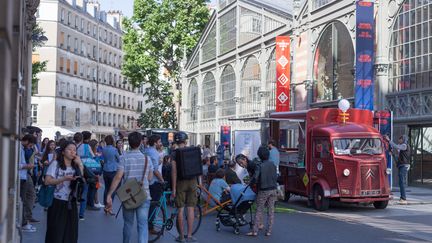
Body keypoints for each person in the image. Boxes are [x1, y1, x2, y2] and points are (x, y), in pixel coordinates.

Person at [106, 131, 153, 243]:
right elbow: (150, 178)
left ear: (129, 143)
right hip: (144, 195)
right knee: (142, 225)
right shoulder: (147, 159)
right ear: (141, 142)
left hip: (128, 196)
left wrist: (109, 194)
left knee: (128, 224)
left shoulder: (124, 158)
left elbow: (118, 177)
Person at [44, 141, 84, 243]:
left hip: (71, 202)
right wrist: (63, 179)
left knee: (71, 233)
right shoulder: (55, 164)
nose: (72, 152)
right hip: (57, 202)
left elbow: (81, 180)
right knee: (56, 233)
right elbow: (47, 181)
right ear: (63, 152)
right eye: (69, 149)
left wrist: (80, 164)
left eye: (74, 150)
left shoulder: (76, 165)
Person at [171, 132, 198, 243]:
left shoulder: (174, 153)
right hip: (192, 181)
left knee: (180, 209)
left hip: (181, 182)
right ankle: (190, 235)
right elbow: (198, 167)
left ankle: (181, 236)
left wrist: (173, 188)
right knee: (191, 208)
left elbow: (174, 171)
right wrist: (198, 182)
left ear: (176, 142)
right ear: (186, 141)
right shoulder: (192, 151)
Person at [247, 146, 278, 237]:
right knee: (271, 210)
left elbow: (255, 178)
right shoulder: (273, 164)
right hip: (273, 189)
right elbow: (276, 176)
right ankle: (269, 231)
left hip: (263, 190)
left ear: (259, 156)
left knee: (259, 209)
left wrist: (251, 183)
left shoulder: (260, 166)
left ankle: (255, 231)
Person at [147, 134, 165, 235]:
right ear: (155, 143)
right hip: (154, 182)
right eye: (159, 141)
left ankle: (149, 225)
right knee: (153, 205)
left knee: (150, 204)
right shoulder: (154, 153)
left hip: (148, 182)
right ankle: (150, 227)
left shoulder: (147, 151)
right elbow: (155, 170)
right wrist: (162, 180)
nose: (161, 143)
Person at [384, 134, 410, 205]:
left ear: (403, 139)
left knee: (402, 183)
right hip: (401, 165)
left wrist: (389, 140)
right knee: (401, 182)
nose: (399, 140)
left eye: (400, 139)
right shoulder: (403, 147)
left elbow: (397, 146)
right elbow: (399, 157)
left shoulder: (405, 145)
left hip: (404, 166)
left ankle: (403, 199)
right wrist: (392, 154)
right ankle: (402, 198)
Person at [19, 134, 38, 232]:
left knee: (29, 196)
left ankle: (26, 219)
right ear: (27, 141)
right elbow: (17, 164)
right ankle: (24, 222)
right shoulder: (19, 148)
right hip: (21, 176)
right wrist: (28, 166)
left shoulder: (22, 148)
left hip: (24, 175)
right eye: (30, 145)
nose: (30, 147)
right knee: (23, 199)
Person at [102, 135, 120, 214]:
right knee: (112, 190)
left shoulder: (104, 149)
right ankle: (109, 207)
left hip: (105, 169)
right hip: (113, 170)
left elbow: (104, 159)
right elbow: (119, 159)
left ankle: (106, 205)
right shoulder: (114, 149)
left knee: (106, 188)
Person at [89, 139, 104, 208]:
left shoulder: (94, 153)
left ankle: (96, 201)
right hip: (95, 174)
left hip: (96, 173)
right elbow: (93, 165)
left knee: (96, 188)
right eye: (96, 145)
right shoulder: (92, 154)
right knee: (95, 188)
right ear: (93, 146)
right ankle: (95, 202)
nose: (97, 147)